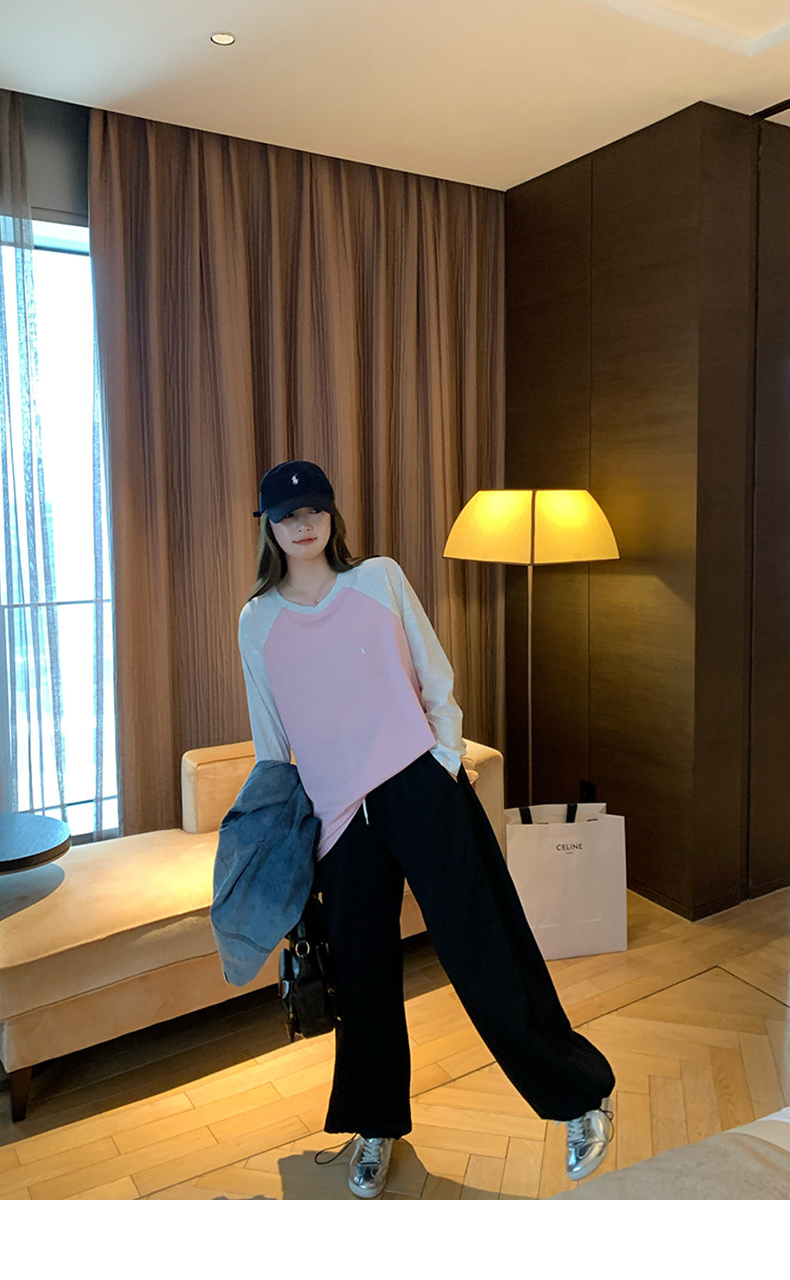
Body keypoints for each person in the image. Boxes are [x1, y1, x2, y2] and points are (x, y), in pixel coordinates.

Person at [238, 459, 615, 1199]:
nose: (303, 524)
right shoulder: (258, 621)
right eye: (287, 515)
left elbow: (434, 675)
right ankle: (375, 1125)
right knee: (363, 978)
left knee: (485, 948)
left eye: (314, 509)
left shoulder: (377, 580)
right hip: (338, 819)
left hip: (420, 787)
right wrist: (287, 826)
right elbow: (270, 737)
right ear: (269, 528)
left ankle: (579, 1099)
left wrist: (442, 759)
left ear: (331, 515)